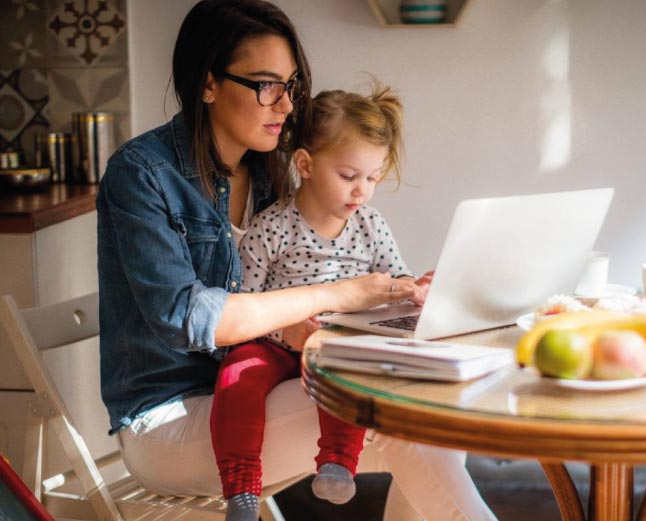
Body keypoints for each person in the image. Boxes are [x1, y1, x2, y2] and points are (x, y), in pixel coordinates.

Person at [95, 1, 497, 520]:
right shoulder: (142, 174)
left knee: (430, 421)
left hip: (264, 388)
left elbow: (296, 286)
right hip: (173, 416)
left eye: (291, 87)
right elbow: (189, 319)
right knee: (397, 414)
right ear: (208, 84)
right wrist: (338, 295)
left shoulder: (268, 173)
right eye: (266, 85)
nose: (285, 106)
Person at [212, 81, 432, 508]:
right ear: (306, 164)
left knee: (347, 371)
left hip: (337, 344)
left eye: (372, 178)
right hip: (274, 344)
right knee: (237, 375)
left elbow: (394, 280)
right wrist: (287, 335)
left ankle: (337, 463)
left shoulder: (370, 225)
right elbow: (245, 310)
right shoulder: (271, 226)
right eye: (349, 176)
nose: (361, 191)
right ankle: (241, 490)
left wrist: (414, 288)